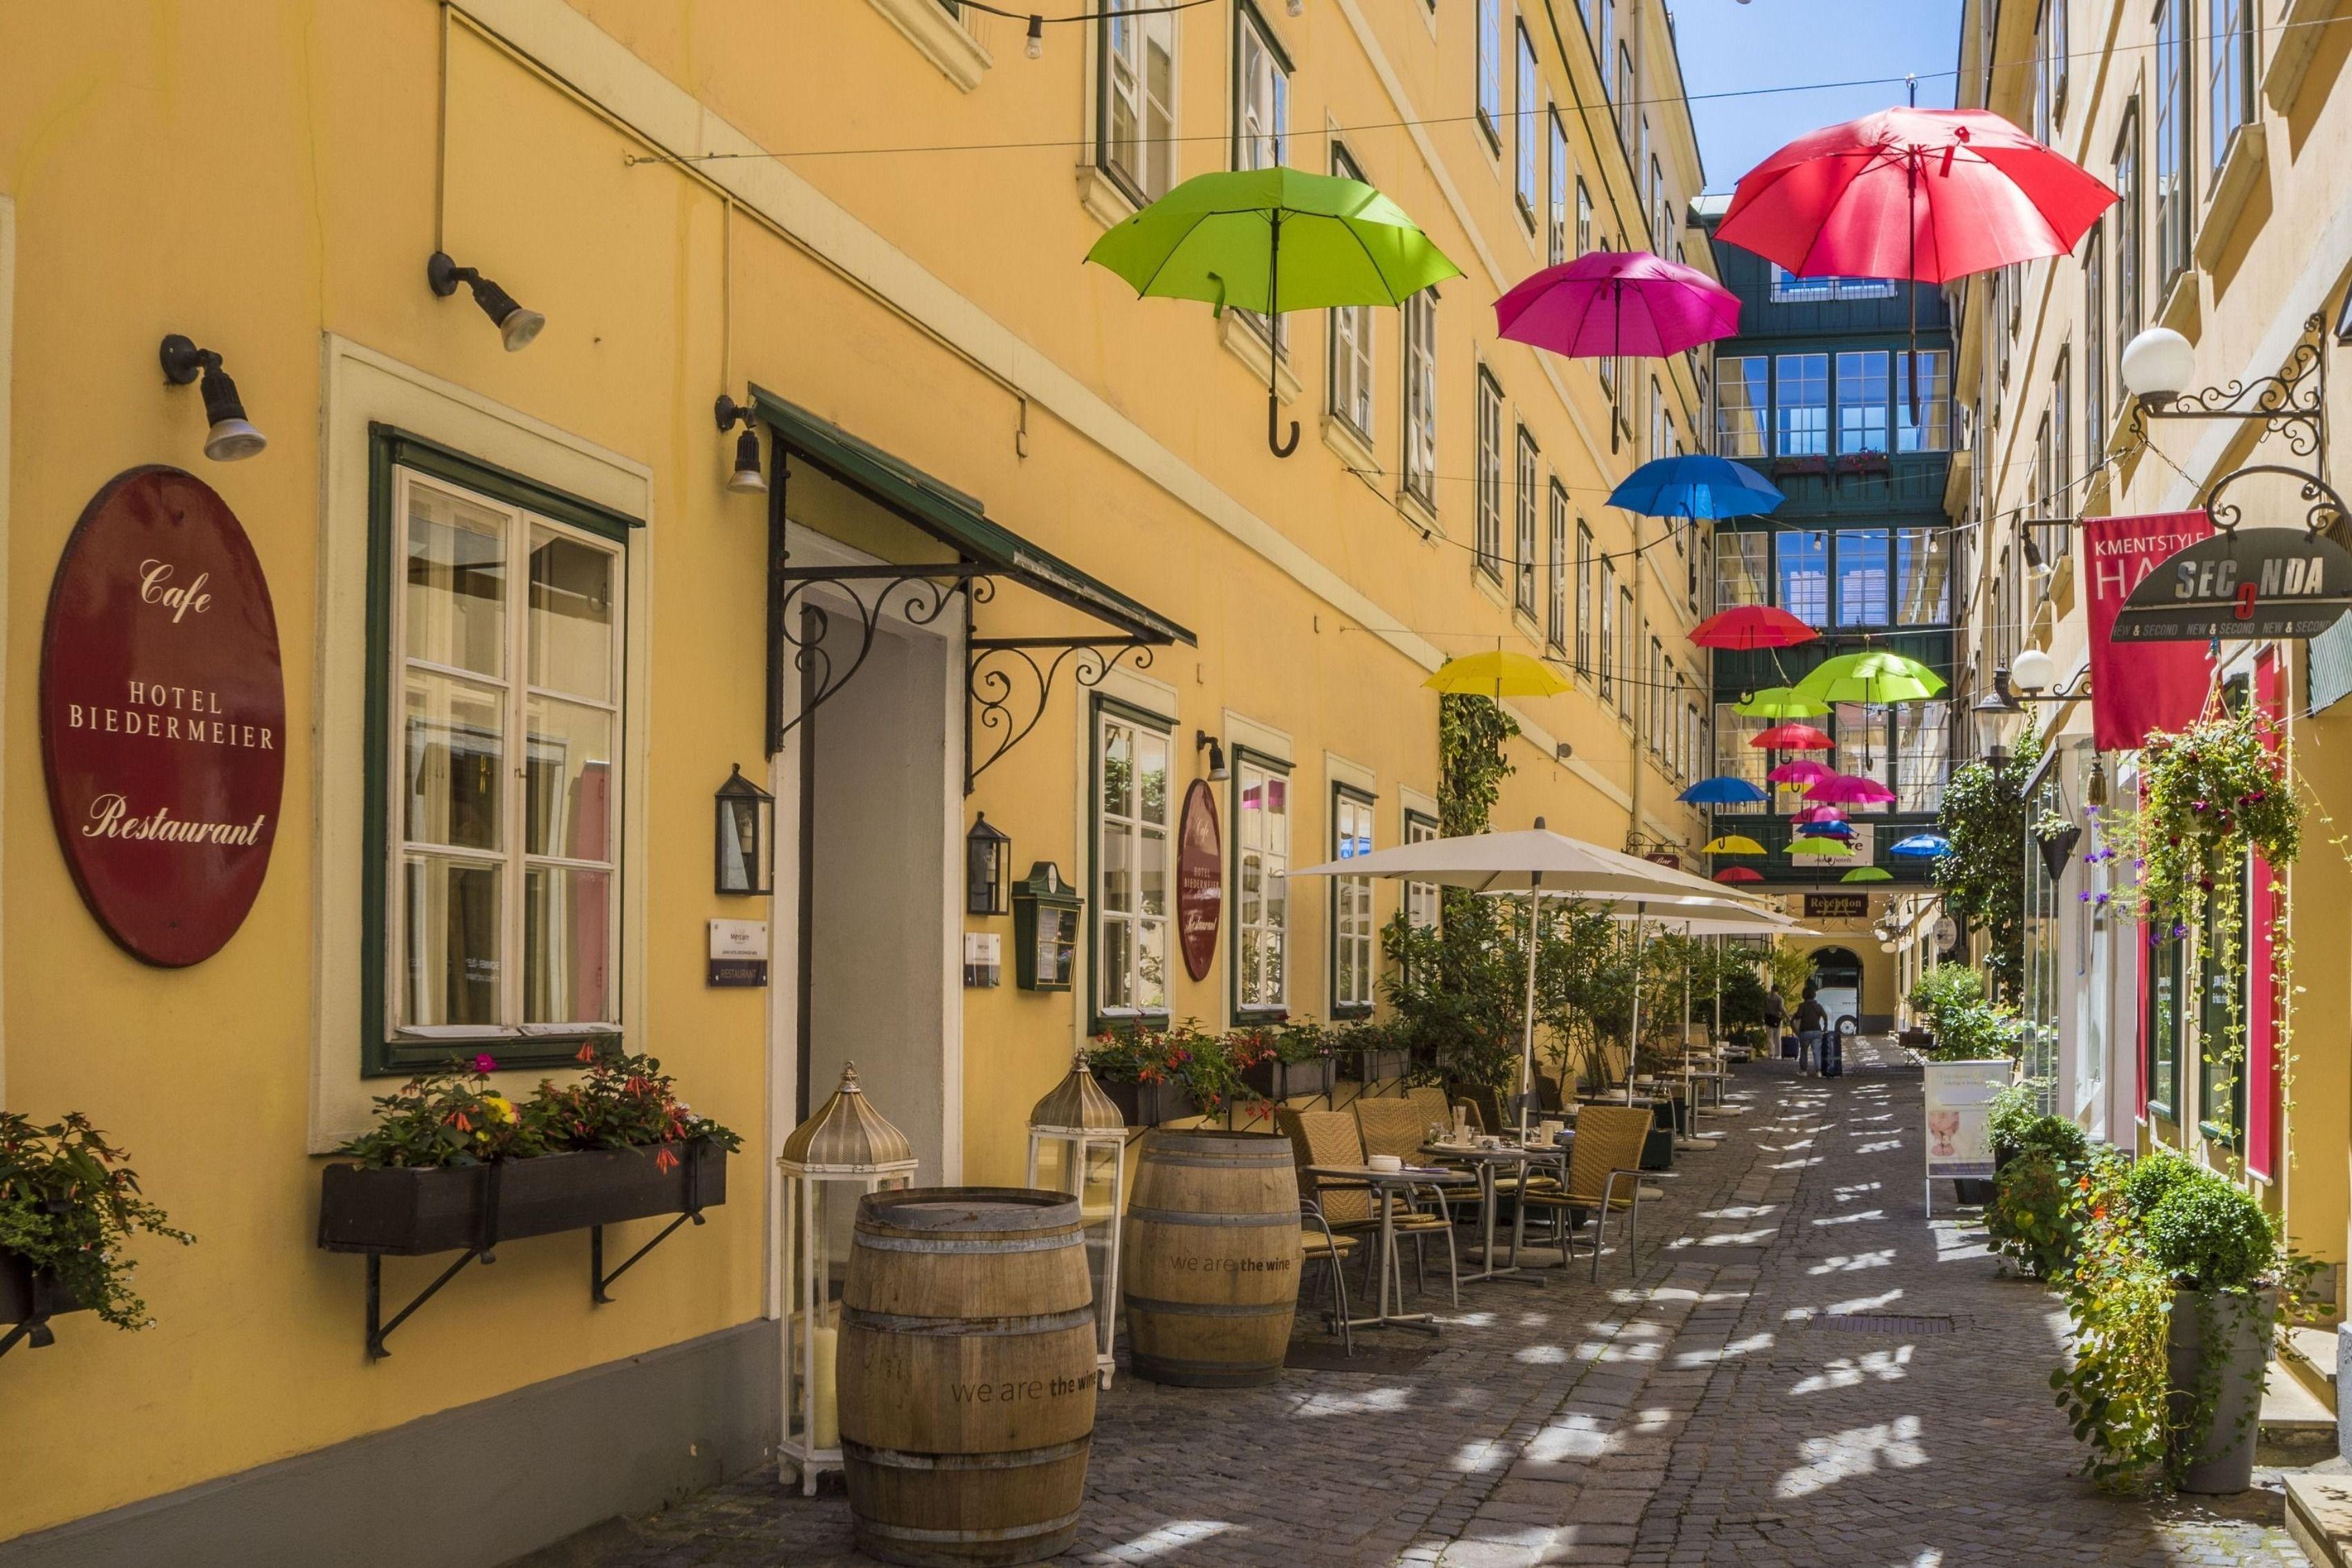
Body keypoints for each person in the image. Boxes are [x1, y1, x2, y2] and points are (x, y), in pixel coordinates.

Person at [1794, 986, 1829, 1076]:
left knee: (1804, 1052)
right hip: (1817, 1032)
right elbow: (1825, 1016)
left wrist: (1795, 1015)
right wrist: (1825, 1026)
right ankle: (1818, 1071)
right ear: (1814, 995)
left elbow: (1798, 1016)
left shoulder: (1802, 1006)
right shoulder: (1818, 1006)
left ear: (1804, 995)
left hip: (1805, 1032)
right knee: (1817, 1052)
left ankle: (1803, 1071)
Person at [1763, 987, 1788, 1059]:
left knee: (1769, 1037)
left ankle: (1771, 1053)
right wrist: (1787, 1016)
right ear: (1778, 991)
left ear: (1771, 989)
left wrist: (1763, 1016)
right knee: (1777, 1037)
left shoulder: (1767, 998)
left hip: (1768, 1018)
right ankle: (1778, 1054)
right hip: (1777, 1019)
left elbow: (1764, 1008)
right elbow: (1781, 1008)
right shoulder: (1780, 999)